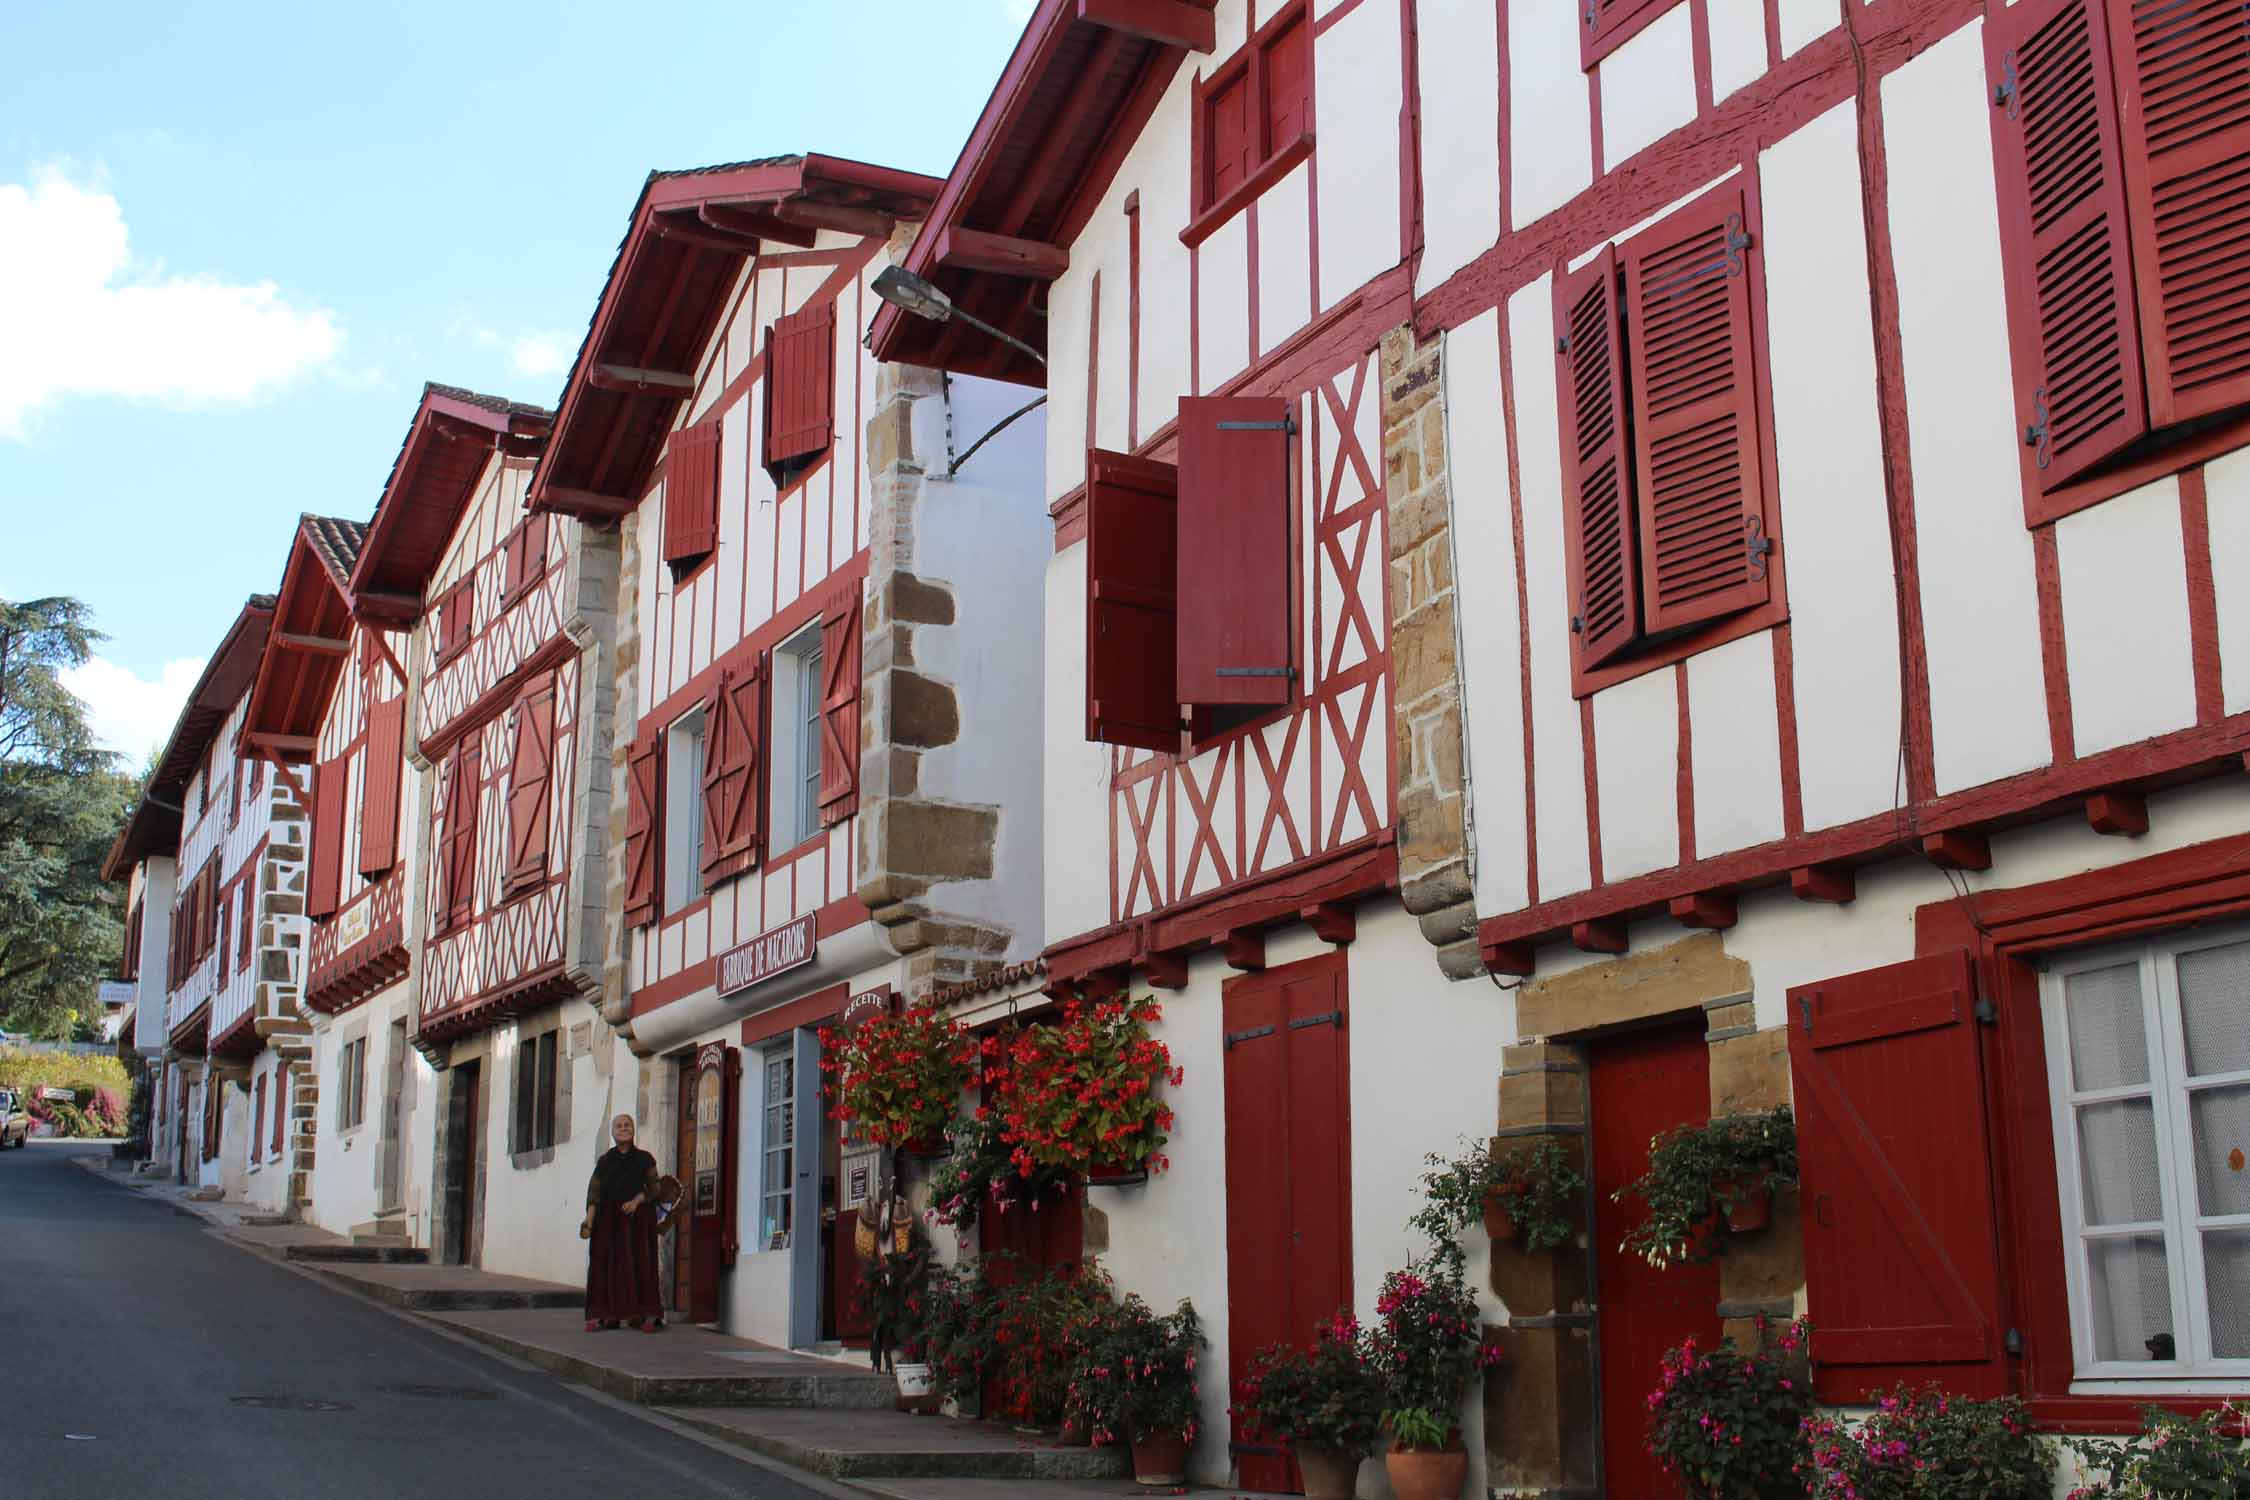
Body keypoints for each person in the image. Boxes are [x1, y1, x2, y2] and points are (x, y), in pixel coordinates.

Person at [581, 1113, 664, 1333]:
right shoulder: (605, 1161)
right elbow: (594, 1192)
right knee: (603, 1266)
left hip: (638, 1222)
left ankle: (647, 1314)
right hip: (607, 1221)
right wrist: (589, 1218)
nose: (624, 1128)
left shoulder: (645, 1159)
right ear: (613, 1131)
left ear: (633, 1129)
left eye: (628, 1125)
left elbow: (656, 1188)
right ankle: (604, 1315)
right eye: (619, 1125)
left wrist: (637, 1201)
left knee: (642, 1264)